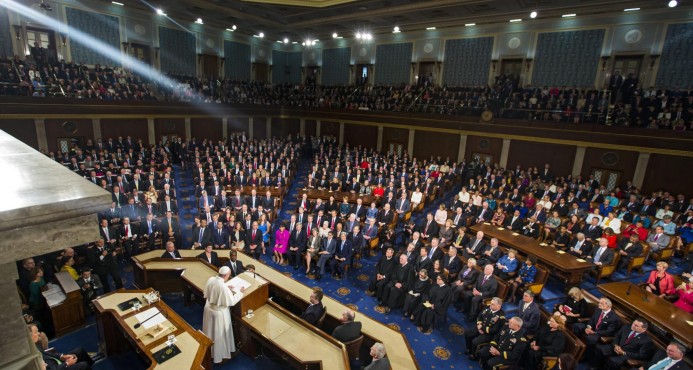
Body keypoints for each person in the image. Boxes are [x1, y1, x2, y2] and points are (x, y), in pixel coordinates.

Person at [202, 266, 245, 363]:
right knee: (219, 334)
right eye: (229, 275)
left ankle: (211, 352)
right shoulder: (223, 287)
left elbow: (212, 289)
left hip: (209, 309)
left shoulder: (211, 279)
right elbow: (232, 301)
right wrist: (240, 293)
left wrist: (226, 286)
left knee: (211, 331)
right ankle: (220, 355)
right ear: (225, 275)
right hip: (219, 313)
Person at [29, 323, 93, 370]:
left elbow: (49, 354)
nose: (39, 333)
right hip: (58, 368)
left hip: (58, 363)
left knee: (80, 351)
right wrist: (67, 364)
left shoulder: (35, 345)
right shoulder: (31, 357)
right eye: (36, 332)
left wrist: (62, 356)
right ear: (30, 336)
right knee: (84, 365)